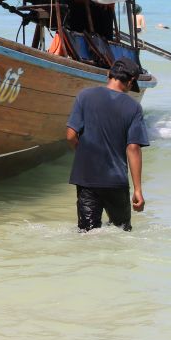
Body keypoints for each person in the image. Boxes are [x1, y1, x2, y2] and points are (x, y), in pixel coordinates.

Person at [65, 58, 148, 232]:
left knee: (87, 233)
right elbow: (133, 148)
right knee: (122, 232)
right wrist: (138, 190)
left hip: (86, 179)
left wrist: (84, 156)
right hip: (115, 181)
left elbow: (71, 135)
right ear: (131, 81)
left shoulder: (84, 96)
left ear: (108, 74)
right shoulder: (133, 108)